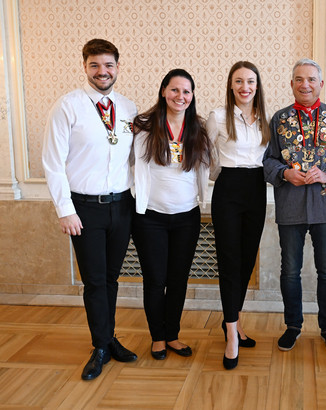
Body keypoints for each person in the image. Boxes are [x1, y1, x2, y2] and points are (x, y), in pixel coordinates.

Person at [42, 39, 138, 381]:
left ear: (117, 67)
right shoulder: (68, 106)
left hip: (122, 206)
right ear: (85, 67)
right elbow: (52, 164)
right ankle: (99, 346)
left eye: (109, 65)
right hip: (84, 209)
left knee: (111, 278)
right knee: (95, 280)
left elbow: (135, 159)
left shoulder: (127, 108)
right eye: (95, 65)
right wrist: (65, 210)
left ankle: (108, 338)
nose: (103, 72)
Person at [263, 58, 326, 355]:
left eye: (311, 79)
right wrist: (284, 173)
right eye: (299, 79)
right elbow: (268, 161)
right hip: (290, 205)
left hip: (325, 206)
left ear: (321, 84)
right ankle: (293, 326)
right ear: (291, 84)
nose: (305, 85)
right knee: (290, 270)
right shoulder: (279, 119)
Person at [132, 69, 212, 361]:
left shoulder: (198, 129)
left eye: (187, 91)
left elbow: (207, 169)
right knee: (155, 280)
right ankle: (157, 337)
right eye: (175, 90)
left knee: (178, 280)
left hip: (186, 217)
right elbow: (129, 165)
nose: (181, 96)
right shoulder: (144, 126)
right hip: (150, 217)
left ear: (192, 96)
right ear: (164, 90)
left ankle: (173, 334)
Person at [206, 61, 270, 370]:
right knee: (230, 262)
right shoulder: (217, 117)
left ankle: (234, 320)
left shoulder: (266, 120)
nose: (245, 87)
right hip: (229, 190)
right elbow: (205, 157)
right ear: (231, 85)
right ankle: (232, 333)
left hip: (256, 190)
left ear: (258, 86)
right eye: (239, 81)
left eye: (250, 81)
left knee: (246, 262)